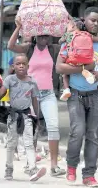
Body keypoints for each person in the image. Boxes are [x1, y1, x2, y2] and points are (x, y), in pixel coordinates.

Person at [56, 7, 98, 187]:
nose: (95, 24)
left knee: (93, 135)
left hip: (95, 95)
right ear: (85, 20)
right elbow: (59, 67)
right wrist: (81, 69)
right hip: (75, 94)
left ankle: (89, 175)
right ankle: (71, 166)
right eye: (92, 20)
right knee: (77, 131)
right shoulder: (72, 39)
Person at [7, 21, 65, 177]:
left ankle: (54, 166)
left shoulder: (54, 49)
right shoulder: (28, 49)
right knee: (31, 130)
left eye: (46, 35)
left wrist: (69, 27)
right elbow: (10, 46)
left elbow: (68, 45)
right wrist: (18, 27)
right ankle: (30, 165)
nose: (43, 38)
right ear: (35, 35)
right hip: (30, 94)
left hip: (48, 94)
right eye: (40, 35)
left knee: (53, 127)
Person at [0, 54, 47, 181]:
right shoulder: (10, 79)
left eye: (23, 63)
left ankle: (33, 169)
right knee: (12, 143)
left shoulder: (32, 82)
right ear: (13, 66)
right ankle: (9, 168)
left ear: (28, 66)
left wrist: (37, 118)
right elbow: (0, 93)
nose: (21, 66)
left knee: (28, 143)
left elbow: (34, 100)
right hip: (13, 116)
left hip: (26, 116)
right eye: (18, 64)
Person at [58, 17, 95, 101]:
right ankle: (87, 73)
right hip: (86, 60)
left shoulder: (68, 34)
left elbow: (60, 41)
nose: (66, 28)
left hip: (73, 60)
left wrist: (61, 40)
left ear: (73, 26)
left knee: (64, 74)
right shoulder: (86, 34)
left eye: (67, 26)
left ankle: (66, 89)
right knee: (84, 67)